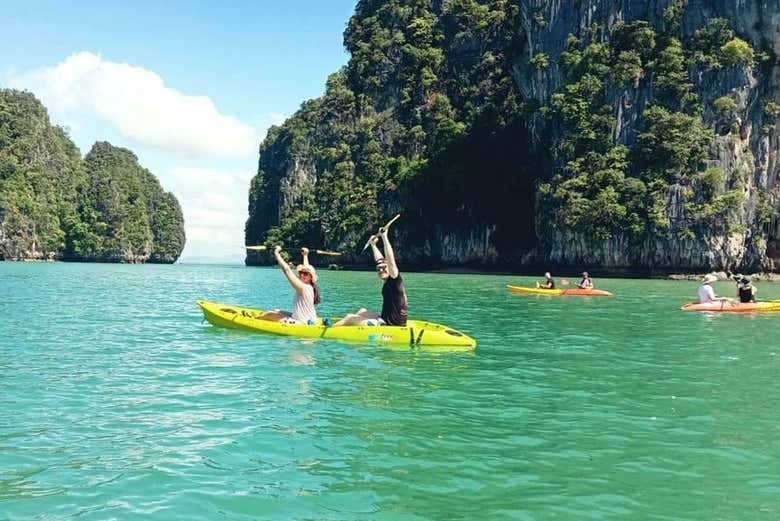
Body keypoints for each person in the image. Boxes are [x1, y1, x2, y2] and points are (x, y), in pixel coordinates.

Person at [334, 227, 408, 327]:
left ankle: (330, 328)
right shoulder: (389, 280)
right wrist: (373, 245)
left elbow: (390, 259)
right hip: (386, 319)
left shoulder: (394, 278)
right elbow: (380, 260)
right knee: (362, 311)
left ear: (389, 268)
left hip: (391, 325)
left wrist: (384, 237)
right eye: (378, 269)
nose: (380, 270)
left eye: (383, 268)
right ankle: (350, 324)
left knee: (349, 317)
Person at [256, 246, 320, 324]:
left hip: (301, 322)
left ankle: (253, 320)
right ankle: (257, 317)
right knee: (275, 310)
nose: (302, 275)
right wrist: (305, 255)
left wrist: (277, 254)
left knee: (269, 314)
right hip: (307, 319)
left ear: (311, 277)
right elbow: (306, 268)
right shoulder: (310, 286)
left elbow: (286, 270)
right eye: (300, 273)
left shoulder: (303, 287)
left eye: (305, 274)